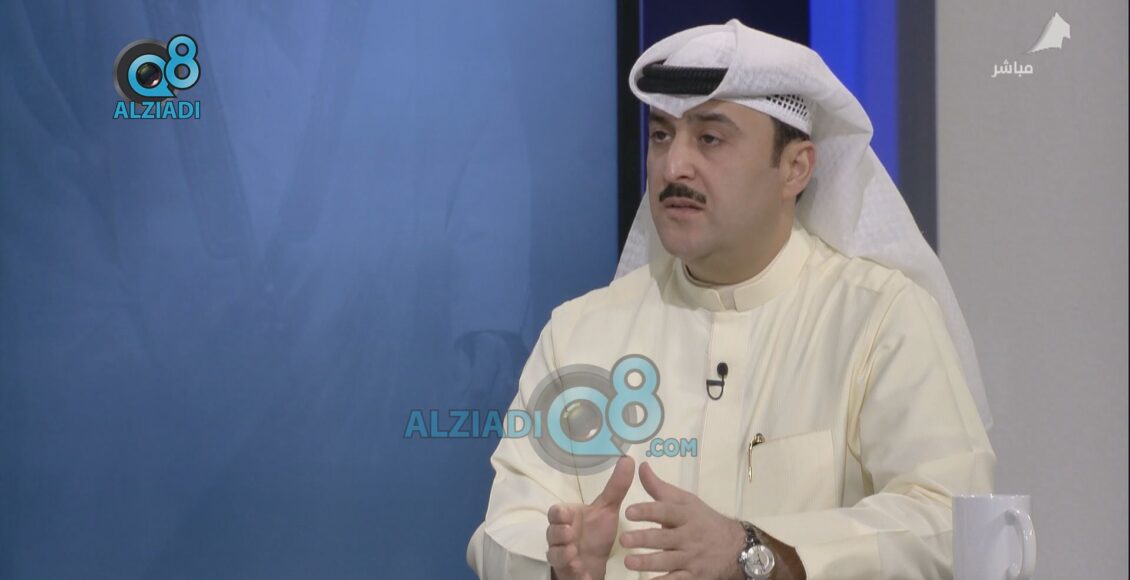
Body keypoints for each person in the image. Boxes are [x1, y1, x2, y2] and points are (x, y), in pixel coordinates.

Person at [467, 20, 994, 579]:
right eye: (661, 135)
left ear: (795, 168)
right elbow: (504, 526)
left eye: (710, 139)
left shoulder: (880, 318)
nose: (673, 167)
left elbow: (948, 520)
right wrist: (557, 563)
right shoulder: (580, 332)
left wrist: (758, 552)